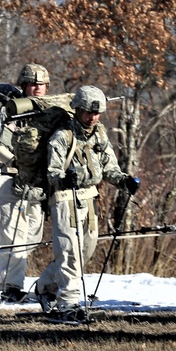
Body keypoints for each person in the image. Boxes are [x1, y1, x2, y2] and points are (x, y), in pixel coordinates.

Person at [35, 85, 138, 321]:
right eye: (88, 112)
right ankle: (68, 304)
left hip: (89, 198)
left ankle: (44, 287)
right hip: (64, 198)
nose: (92, 117)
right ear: (77, 110)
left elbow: (109, 167)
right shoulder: (63, 136)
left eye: (97, 113)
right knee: (70, 253)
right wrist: (64, 178)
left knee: (85, 252)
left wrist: (125, 181)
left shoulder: (99, 134)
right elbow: (52, 173)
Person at [0, 63, 52, 302]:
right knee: (14, 238)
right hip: (6, 177)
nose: (37, 88)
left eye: (41, 84)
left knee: (31, 237)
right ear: (23, 86)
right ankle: (11, 287)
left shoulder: (50, 112)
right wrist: (15, 162)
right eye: (33, 84)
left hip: (34, 183)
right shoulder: (10, 110)